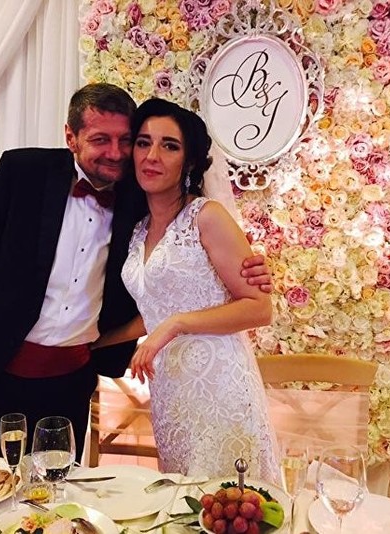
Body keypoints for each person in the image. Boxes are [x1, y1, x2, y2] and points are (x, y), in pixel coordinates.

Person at [0, 83, 272, 461]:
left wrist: (250, 269)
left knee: (55, 488)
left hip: (69, 381)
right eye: (101, 139)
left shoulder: (140, 197)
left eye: (126, 140)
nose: (116, 153)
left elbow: (188, 261)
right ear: (71, 137)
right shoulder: (25, 172)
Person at [94, 98, 279, 481]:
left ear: (189, 161)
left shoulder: (207, 217)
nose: (152, 156)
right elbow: (156, 310)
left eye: (169, 146)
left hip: (220, 387)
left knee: (226, 502)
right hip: (171, 392)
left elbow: (259, 308)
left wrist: (176, 324)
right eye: (143, 143)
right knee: (183, 500)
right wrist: (91, 344)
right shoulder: (139, 230)